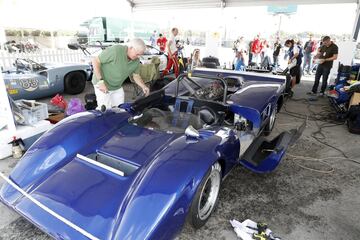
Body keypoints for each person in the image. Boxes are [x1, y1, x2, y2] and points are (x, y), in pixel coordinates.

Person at [91, 38, 150, 109]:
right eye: (137, 54)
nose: (138, 57)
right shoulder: (116, 50)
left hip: (116, 87)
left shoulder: (136, 61)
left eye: (140, 55)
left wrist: (144, 86)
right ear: (131, 48)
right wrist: (100, 81)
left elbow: (136, 76)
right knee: (105, 110)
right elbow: (95, 60)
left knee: (119, 109)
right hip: (102, 83)